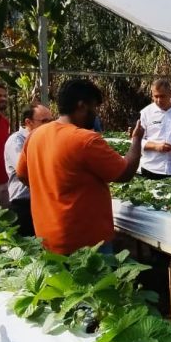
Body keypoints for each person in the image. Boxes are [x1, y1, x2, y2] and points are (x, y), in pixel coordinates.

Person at [16, 78, 143, 255]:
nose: (95, 114)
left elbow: (21, 174)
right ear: (82, 106)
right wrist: (136, 139)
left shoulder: (35, 135)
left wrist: (50, 189)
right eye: (94, 107)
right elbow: (125, 172)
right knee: (98, 283)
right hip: (87, 244)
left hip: (47, 237)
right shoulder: (85, 140)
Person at [3, 104, 53, 236]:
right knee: (26, 248)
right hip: (24, 204)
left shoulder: (47, 139)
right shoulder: (16, 141)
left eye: (51, 121)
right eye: (44, 121)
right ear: (28, 122)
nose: (49, 125)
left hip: (44, 203)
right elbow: (26, 168)